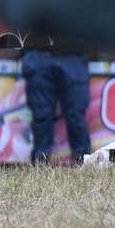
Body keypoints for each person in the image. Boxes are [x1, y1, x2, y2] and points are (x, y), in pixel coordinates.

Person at [20, 33, 93, 166]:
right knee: (41, 115)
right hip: (39, 52)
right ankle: (40, 165)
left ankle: (83, 163)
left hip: (72, 53)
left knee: (76, 115)